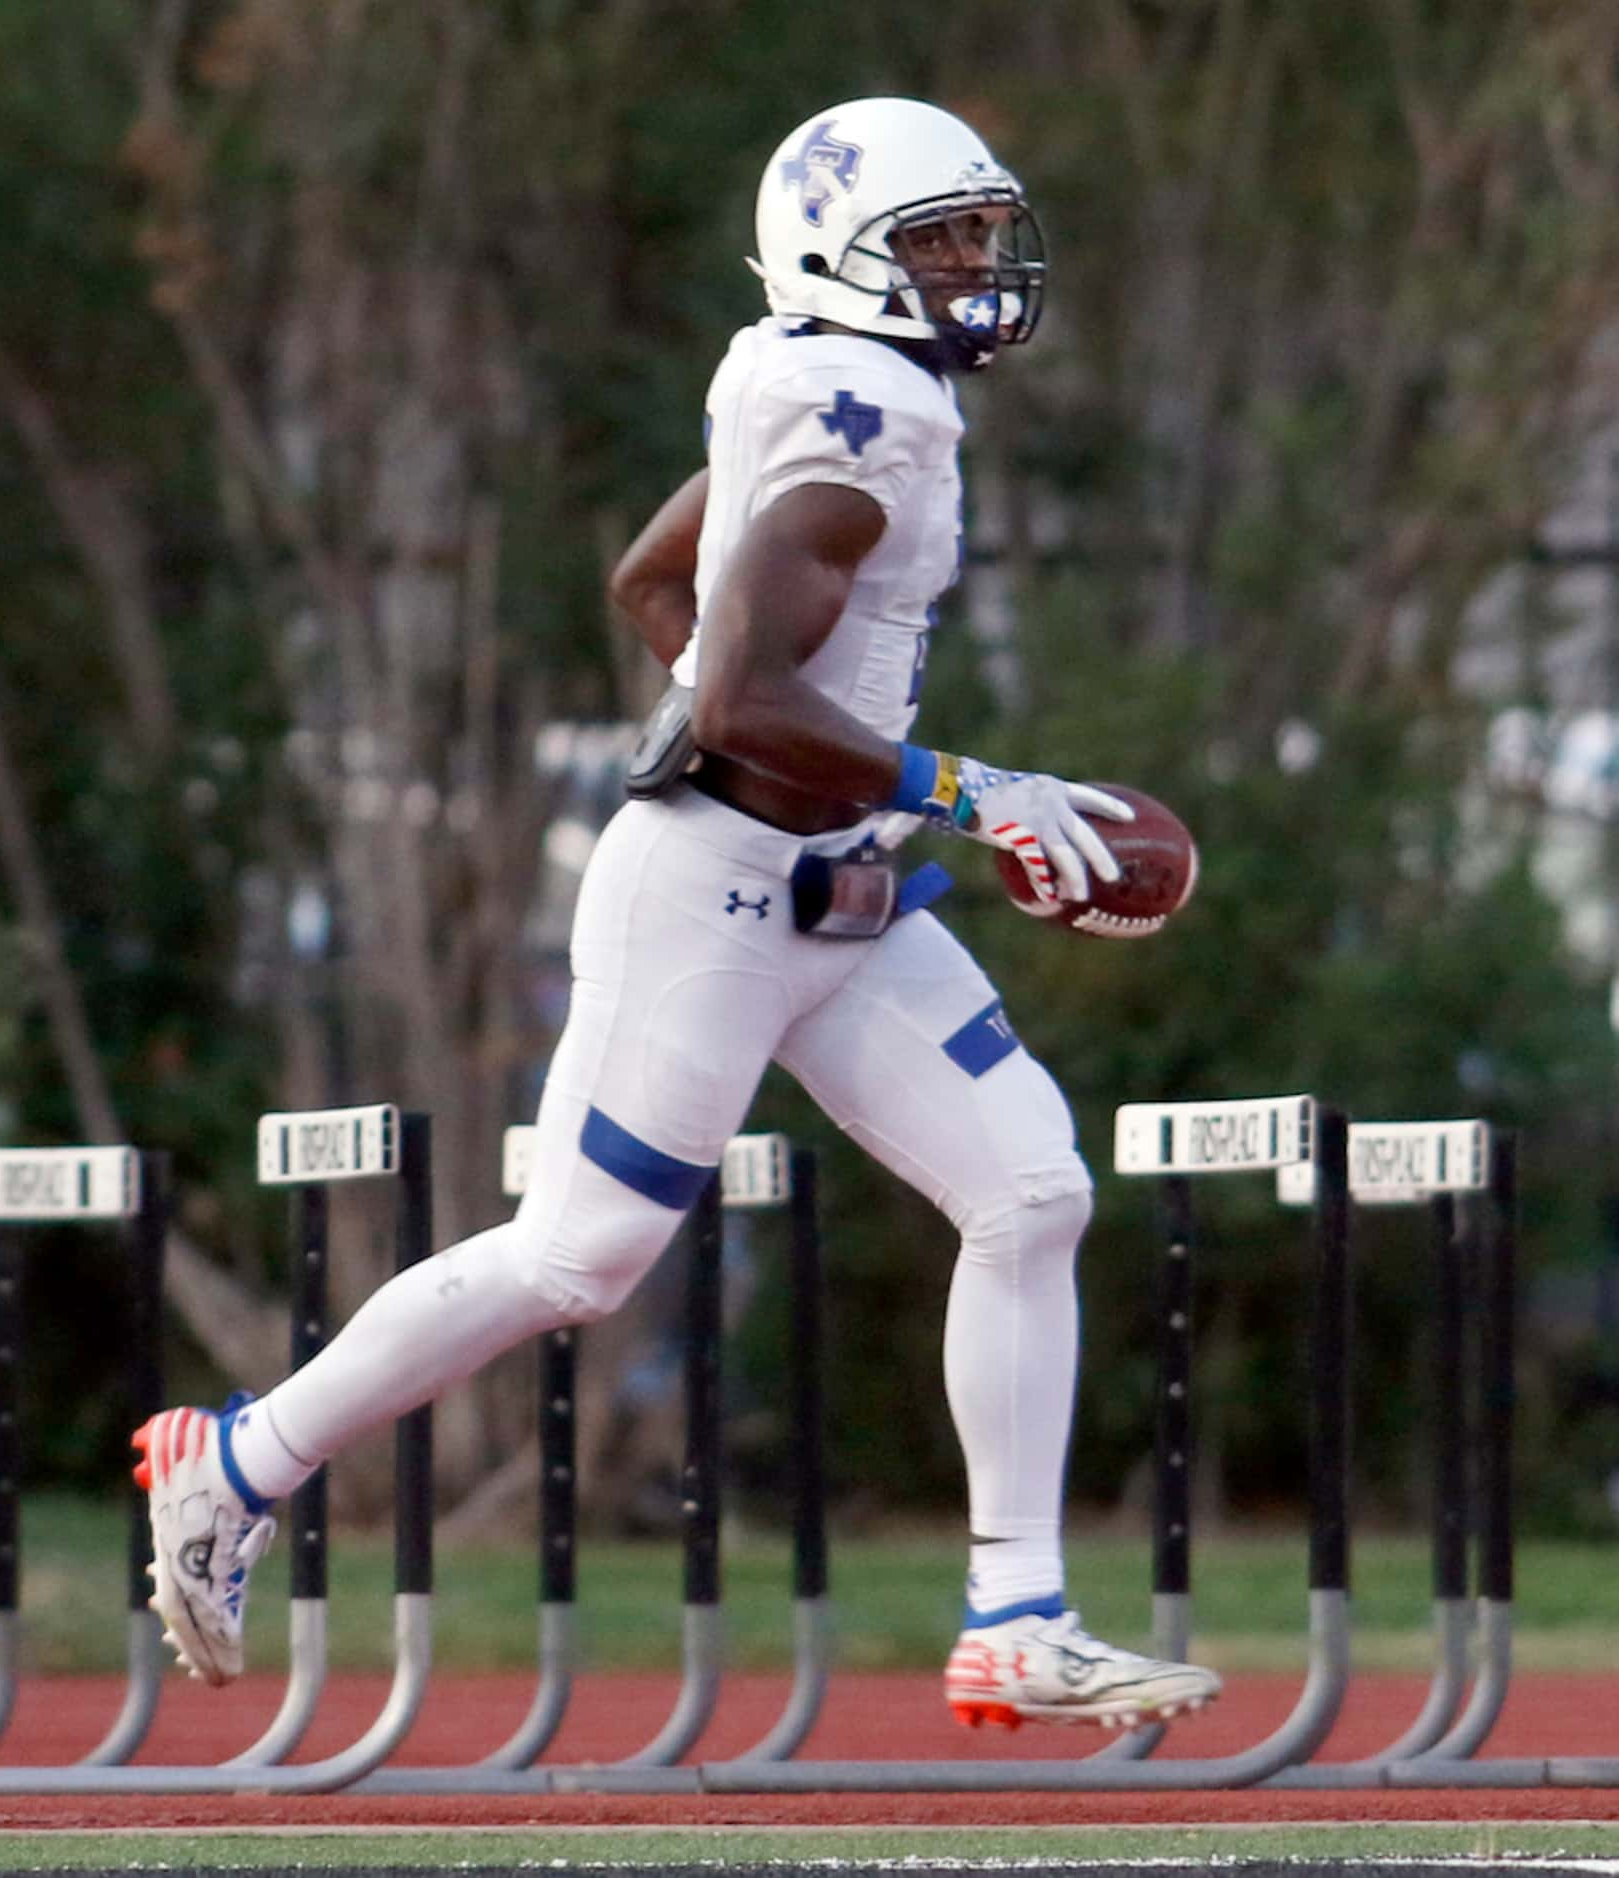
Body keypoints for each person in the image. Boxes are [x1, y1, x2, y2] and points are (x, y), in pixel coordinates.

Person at [132, 96, 1221, 1731]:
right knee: (578, 1258)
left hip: (837, 892)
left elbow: (654, 588)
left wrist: (854, 775)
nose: (976, 271)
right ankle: (239, 1458)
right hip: (713, 891)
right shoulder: (864, 418)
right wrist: (965, 781)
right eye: (937, 242)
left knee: (1032, 1191)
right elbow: (729, 690)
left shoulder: (828, 378)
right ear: (837, 256)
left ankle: (1015, 1613)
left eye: (980, 237)